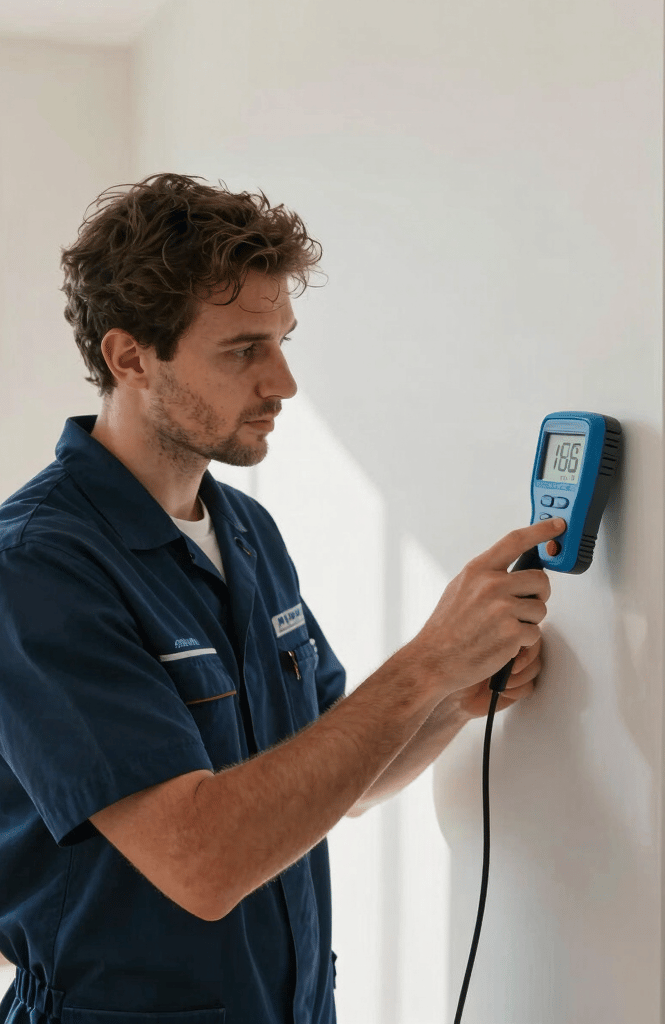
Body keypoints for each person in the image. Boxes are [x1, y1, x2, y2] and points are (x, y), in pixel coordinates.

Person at [0, 173, 565, 1024]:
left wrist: (453, 701)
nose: (284, 382)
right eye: (242, 350)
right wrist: (424, 666)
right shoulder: (37, 567)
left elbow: (336, 776)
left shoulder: (248, 533)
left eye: (282, 340)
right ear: (129, 358)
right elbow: (204, 861)